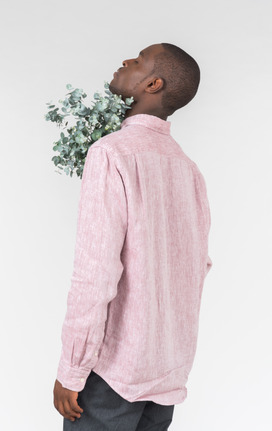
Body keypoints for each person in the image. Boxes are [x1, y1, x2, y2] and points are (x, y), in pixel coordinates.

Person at [53, 42, 213, 430]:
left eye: (138, 60)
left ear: (153, 83)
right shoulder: (187, 168)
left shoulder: (111, 153)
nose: (126, 61)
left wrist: (71, 369)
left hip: (114, 375)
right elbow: (197, 268)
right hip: (166, 374)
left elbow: (95, 273)